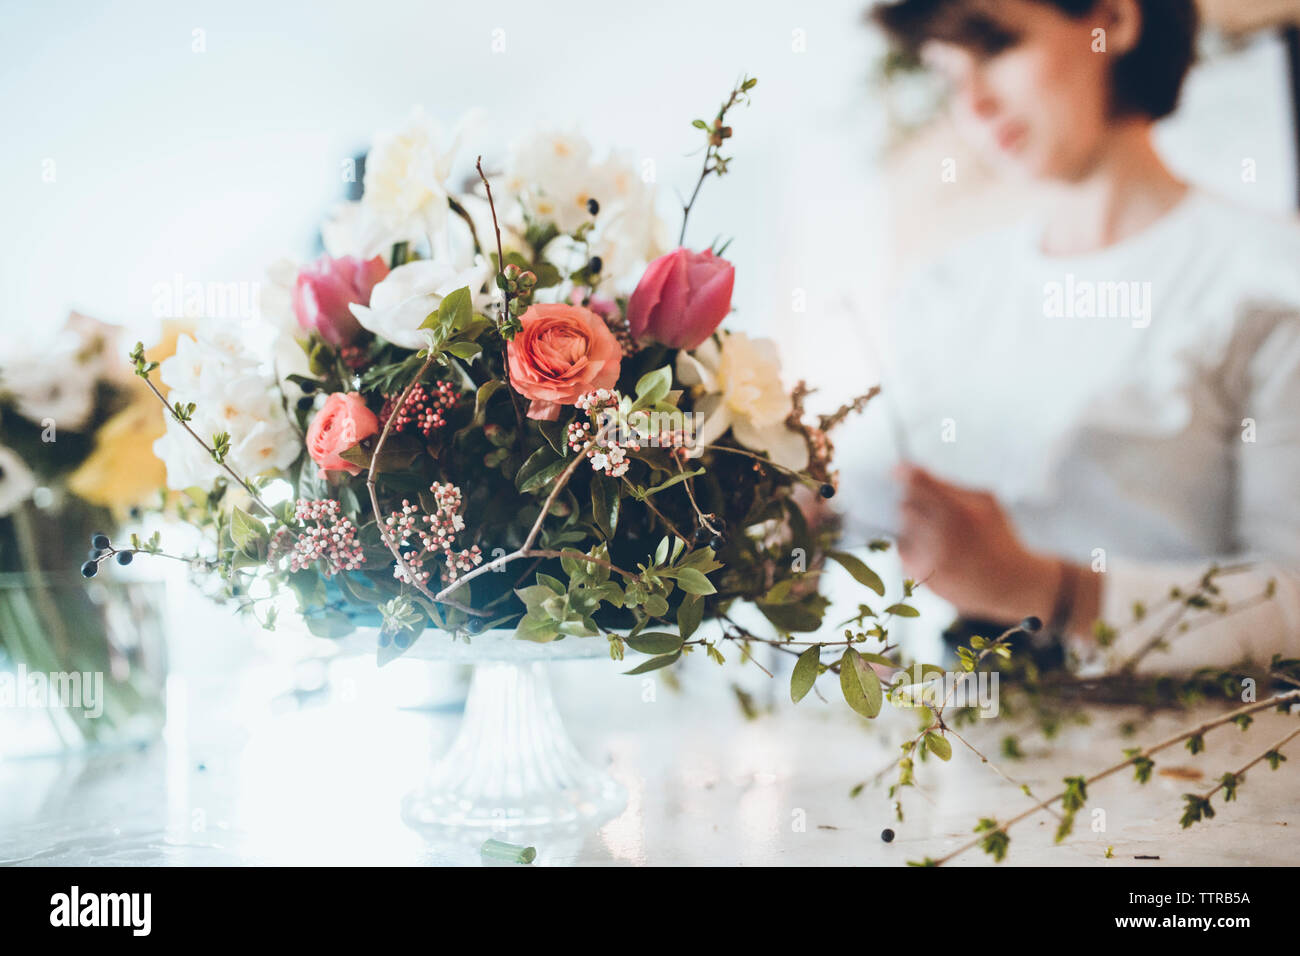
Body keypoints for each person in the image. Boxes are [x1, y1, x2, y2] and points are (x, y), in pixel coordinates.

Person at [848, 0, 1300, 673]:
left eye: (996, 46)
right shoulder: (945, 293)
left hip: (1187, 757)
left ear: (1113, 20)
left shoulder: (1267, 278)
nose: (972, 104)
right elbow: (870, 505)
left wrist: (1049, 590)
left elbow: (1293, 604)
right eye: (947, 75)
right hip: (965, 748)